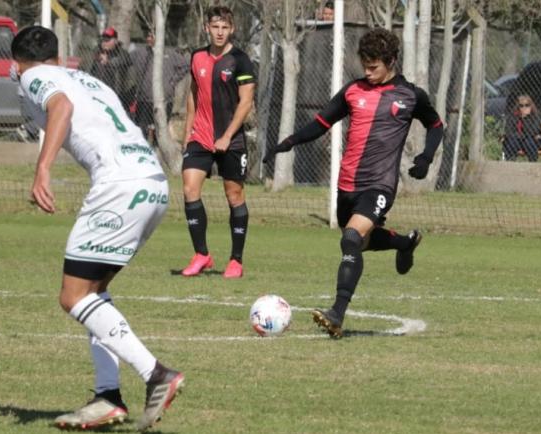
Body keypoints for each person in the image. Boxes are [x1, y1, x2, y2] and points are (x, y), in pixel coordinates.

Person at [11, 26, 184, 430]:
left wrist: (42, 169)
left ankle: (157, 375)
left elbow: (61, 109)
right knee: (93, 294)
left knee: (73, 297)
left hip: (118, 187)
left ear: (18, 62)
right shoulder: (85, 78)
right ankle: (108, 396)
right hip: (152, 183)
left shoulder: (36, 75)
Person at [264, 28, 444, 339]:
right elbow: (321, 123)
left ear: (391, 61)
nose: (367, 72)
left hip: (380, 186)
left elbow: (437, 126)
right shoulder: (352, 91)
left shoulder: (411, 96)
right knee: (359, 241)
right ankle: (404, 242)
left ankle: (337, 313)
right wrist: (289, 142)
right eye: (364, 65)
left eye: (373, 67)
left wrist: (426, 157)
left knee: (349, 239)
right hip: (347, 185)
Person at [180, 6, 255, 278]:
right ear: (207, 28)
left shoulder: (240, 60)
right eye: (215, 27)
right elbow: (193, 93)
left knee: (233, 195)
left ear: (231, 29)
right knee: (189, 188)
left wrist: (226, 136)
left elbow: (246, 102)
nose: (220, 32)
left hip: (230, 140)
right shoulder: (197, 56)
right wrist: (188, 131)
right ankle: (202, 254)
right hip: (200, 136)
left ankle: (236, 260)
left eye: (225, 27)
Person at [130, 30, 190, 144]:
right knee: (141, 129)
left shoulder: (170, 53)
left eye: (152, 36)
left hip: (164, 100)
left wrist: (173, 81)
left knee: (160, 131)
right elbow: (125, 59)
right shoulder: (140, 52)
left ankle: (159, 153)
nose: (149, 39)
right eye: (148, 36)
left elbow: (186, 65)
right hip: (144, 100)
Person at [88, 27, 136, 113]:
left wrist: (108, 62)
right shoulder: (95, 52)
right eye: (103, 39)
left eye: (108, 40)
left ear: (116, 41)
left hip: (116, 96)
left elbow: (123, 62)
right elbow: (85, 69)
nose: (104, 42)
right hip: (96, 94)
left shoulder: (122, 53)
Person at [503, 94, 541, 162]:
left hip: (530, 140)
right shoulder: (513, 117)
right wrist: (521, 135)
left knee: (528, 141)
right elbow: (509, 131)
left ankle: (532, 162)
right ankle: (510, 163)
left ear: (531, 106)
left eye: (527, 105)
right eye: (521, 105)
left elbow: (532, 132)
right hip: (516, 140)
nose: (524, 107)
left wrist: (525, 119)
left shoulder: (535, 117)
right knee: (513, 141)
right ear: (518, 107)